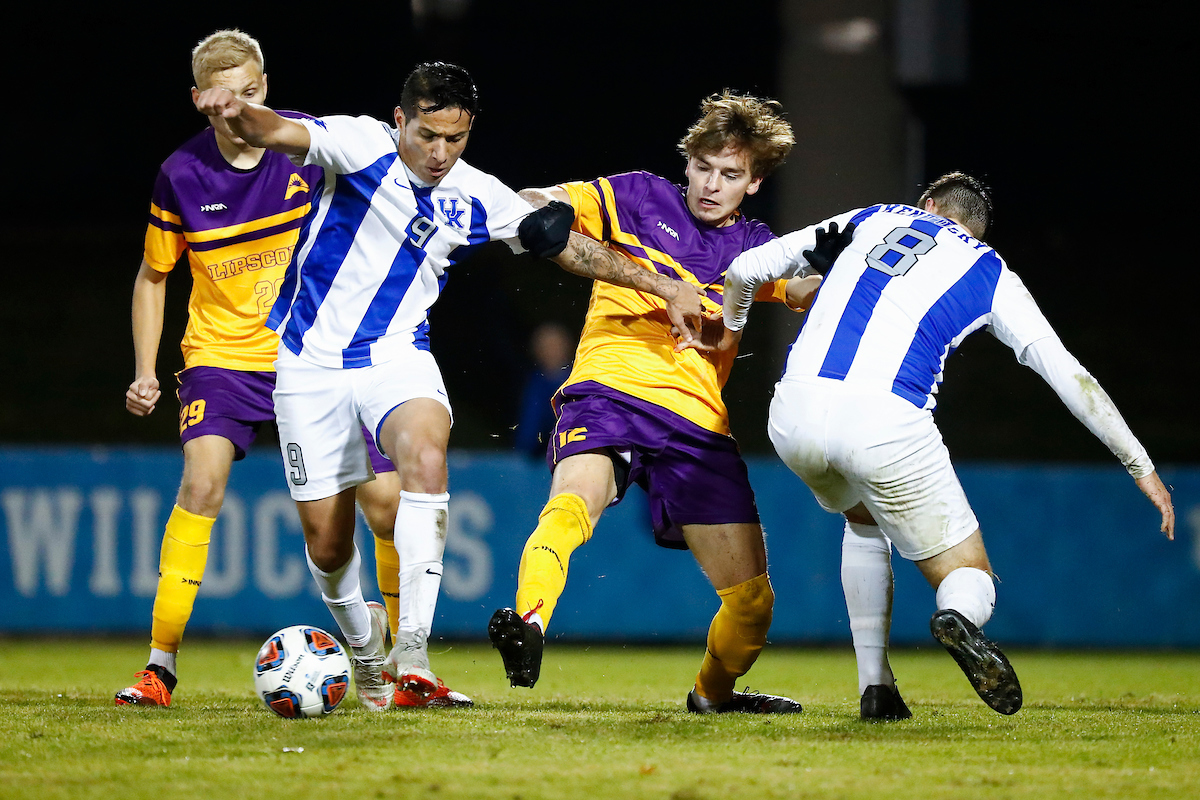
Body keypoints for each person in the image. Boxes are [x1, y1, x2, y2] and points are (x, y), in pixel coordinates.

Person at [194, 61, 705, 711]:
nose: (440, 153)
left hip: (395, 358)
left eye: (455, 138)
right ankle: (367, 649)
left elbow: (571, 249)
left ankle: (414, 652)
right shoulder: (360, 142)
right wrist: (233, 113)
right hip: (308, 367)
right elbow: (274, 129)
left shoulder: (477, 193)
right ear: (401, 119)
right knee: (327, 544)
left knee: (427, 455)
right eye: (428, 135)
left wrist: (665, 285)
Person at [707, 171, 1175, 719]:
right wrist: (1139, 464)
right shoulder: (988, 268)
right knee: (968, 574)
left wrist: (729, 333)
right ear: (979, 231)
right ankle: (959, 616)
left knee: (862, 520)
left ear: (927, 204)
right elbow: (1069, 375)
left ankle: (876, 689)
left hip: (793, 413)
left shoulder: (874, 217)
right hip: (883, 421)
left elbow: (743, 268)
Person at [487, 91, 829, 714]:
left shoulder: (756, 248)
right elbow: (546, 202)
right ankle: (529, 623)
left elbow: (801, 287)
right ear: (688, 161)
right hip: (609, 390)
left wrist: (838, 275)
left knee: (752, 606)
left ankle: (713, 696)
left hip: (698, 425)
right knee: (572, 502)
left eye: (730, 175)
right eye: (703, 167)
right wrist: (536, 204)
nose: (711, 185)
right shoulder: (640, 196)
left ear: (753, 184)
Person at [117, 29, 410, 708]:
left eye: (252, 93)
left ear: (265, 88)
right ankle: (159, 667)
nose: (241, 110)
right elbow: (153, 275)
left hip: (314, 356)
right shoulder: (180, 175)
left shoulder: (306, 145)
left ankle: (400, 662)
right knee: (202, 478)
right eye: (226, 99)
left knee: (386, 503)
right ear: (200, 101)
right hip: (223, 359)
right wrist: (146, 369)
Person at [514, 322, 575, 457]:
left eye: (555, 346)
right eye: (545, 347)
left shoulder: (579, 381)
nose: (550, 352)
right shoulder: (534, 384)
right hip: (537, 461)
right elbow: (528, 430)